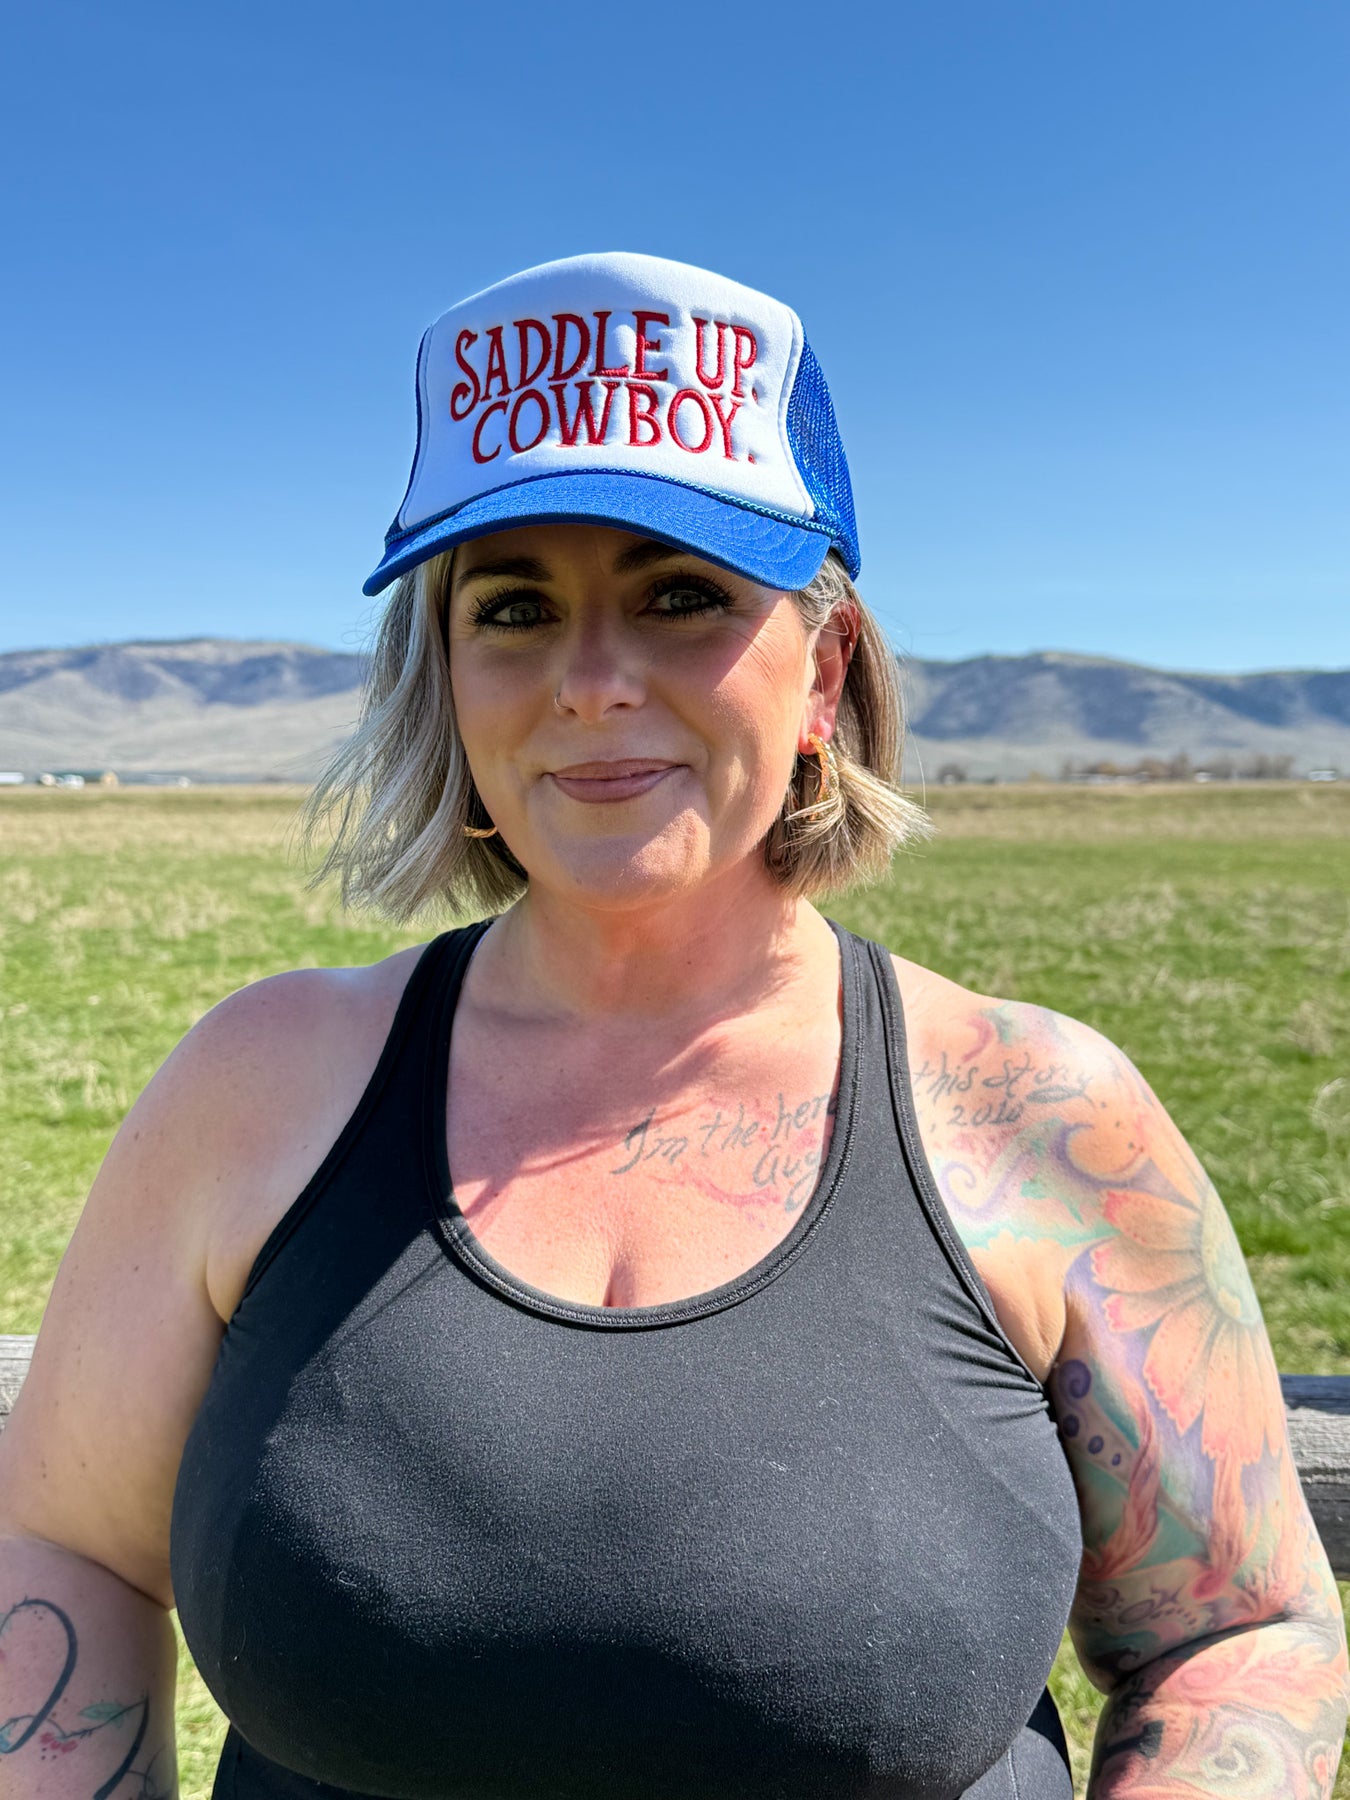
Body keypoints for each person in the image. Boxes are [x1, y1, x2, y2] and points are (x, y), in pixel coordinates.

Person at [0, 252, 1344, 1800]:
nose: (589, 682)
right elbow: (65, 1546)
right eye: (514, 608)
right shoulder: (259, 1088)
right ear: (450, 677)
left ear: (824, 669)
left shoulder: (1036, 1114)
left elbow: (1235, 1632)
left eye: (680, 596)